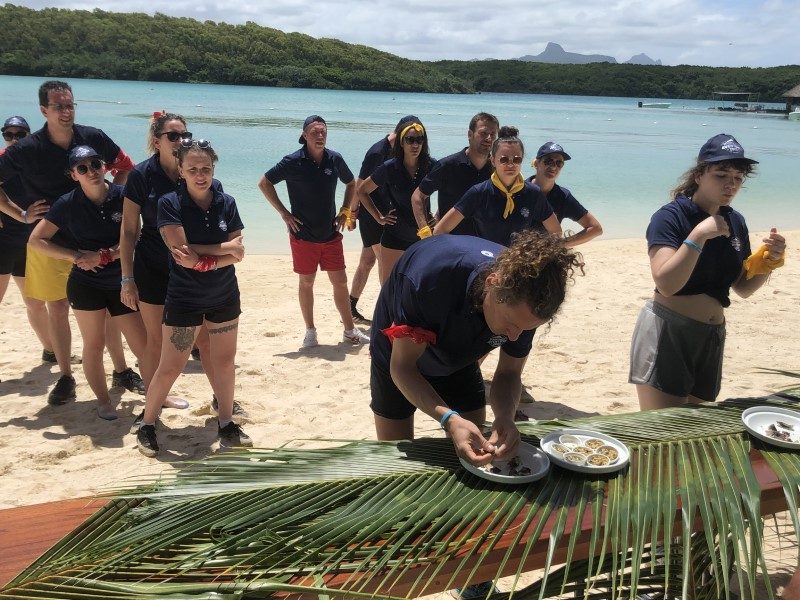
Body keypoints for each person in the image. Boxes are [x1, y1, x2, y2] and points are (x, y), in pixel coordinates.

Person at [0, 80, 141, 405]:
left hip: (95, 238)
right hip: (49, 240)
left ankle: (121, 370)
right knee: (58, 308)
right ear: (44, 110)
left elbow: (125, 167)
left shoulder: (92, 137)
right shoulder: (26, 148)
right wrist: (20, 214)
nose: (66, 111)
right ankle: (66, 376)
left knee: (106, 310)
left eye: (70, 105)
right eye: (59, 106)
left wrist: (110, 198)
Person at [630, 133, 786, 410]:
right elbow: (666, 283)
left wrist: (767, 262)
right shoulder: (670, 217)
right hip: (670, 331)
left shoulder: (734, 220)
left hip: (711, 335)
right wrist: (698, 236)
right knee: (666, 431)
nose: (731, 184)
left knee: (694, 428)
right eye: (721, 175)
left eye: (738, 178)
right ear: (699, 175)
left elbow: (742, 288)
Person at [119, 111, 237, 421]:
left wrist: (219, 257)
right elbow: (129, 229)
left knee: (206, 341)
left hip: (194, 272)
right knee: (157, 340)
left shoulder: (206, 177)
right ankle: (156, 402)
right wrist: (126, 277)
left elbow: (222, 227)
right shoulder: (141, 175)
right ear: (156, 142)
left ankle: (220, 397)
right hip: (155, 267)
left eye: (184, 135)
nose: (180, 141)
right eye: (173, 136)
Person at [136, 139, 249, 456]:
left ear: (213, 169)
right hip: (184, 298)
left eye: (206, 169)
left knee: (224, 363)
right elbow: (180, 251)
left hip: (224, 295)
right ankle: (147, 425)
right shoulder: (170, 203)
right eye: (193, 169)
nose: (200, 175)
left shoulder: (227, 202)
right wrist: (223, 250)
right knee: (170, 367)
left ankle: (226, 423)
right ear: (181, 171)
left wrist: (208, 258)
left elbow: (238, 252)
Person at [27, 146, 147, 420]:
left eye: (95, 164)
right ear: (73, 175)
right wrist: (75, 255)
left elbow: (135, 235)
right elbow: (36, 240)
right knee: (93, 343)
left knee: (142, 344)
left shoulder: (122, 195)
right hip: (85, 283)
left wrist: (105, 255)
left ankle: (156, 396)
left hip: (122, 279)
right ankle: (104, 402)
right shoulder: (67, 203)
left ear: (105, 167)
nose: (91, 171)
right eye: (82, 168)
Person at [258, 115, 370, 349]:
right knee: (307, 282)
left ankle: (349, 330)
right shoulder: (292, 161)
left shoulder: (334, 159)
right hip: (303, 234)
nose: (320, 136)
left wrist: (345, 209)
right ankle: (310, 330)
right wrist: (284, 213)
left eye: (324, 132)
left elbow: (352, 183)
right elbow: (264, 183)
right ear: (304, 136)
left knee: (340, 281)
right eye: (315, 132)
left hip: (330, 233)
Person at [345, 114, 420, 324]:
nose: (412, 143)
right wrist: (352, 214)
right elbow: (361, 185)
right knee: (383, 261)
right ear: (400, 134)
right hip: (375, 216)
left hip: (386, 213)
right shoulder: (377, 152)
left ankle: (350, 306)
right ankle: (389, 310)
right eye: (409, 138)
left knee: (366, 261)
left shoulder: (400, 151)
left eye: (416, 139)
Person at [434, 126, 562, 243]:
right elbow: (440, 230)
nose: (511, 165)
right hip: (484, 262)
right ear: (493, 160)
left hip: (518, 264)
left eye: (517, 159)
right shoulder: (479, 192)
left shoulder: (533, 193)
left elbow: (556, 232)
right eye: (504, 159)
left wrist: (537, 257)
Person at [0, 116, 54, 358]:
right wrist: (22, 215)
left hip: (28, 243)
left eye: (19, 135)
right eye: (8, 135)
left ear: (28, 137)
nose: (13, 140)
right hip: (3, 242)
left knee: (35, 303)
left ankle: (51, 350)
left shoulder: (36, 163)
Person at [357, 119, 436, 283]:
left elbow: (450, 190)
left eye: (419, 140)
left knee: (417, 287)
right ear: (401, 142)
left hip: (423, 236)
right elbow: (362, 191)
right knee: (389, 288)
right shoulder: (389, 167)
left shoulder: (431, 166)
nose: (415, 145)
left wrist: (440, 215)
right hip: (394, 236)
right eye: (410, 140)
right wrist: (379, 217)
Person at [410, 112, 499, 236]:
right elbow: (417, 197)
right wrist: (425, 232)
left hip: (484, 244)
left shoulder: (497, 169)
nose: (489, 138)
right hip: (450, 242)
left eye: (493, 134)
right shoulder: (448, 165)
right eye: (483, 133)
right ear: (470, 134)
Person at [527, 142, 603, 247]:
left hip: (544, 257)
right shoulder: (520, 190)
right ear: (536, 163)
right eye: (548, 161)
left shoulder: (563, 196)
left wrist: (561, 244)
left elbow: (596, 228)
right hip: (515, 255)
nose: (554, 167)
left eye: (559, 163)